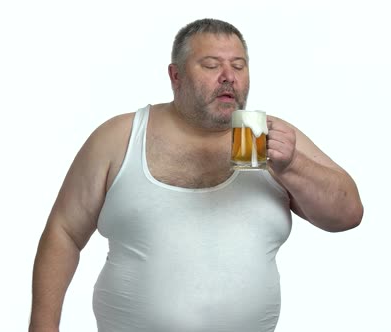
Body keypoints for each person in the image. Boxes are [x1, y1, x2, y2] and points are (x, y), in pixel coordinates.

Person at [29, 18, 363, 332]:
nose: (228, 76)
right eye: (211, 65)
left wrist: (293, 167)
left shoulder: (267, 138)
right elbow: (64, 232)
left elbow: (347, 215)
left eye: (238, 65)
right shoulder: (120, 136)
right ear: (176, 76)